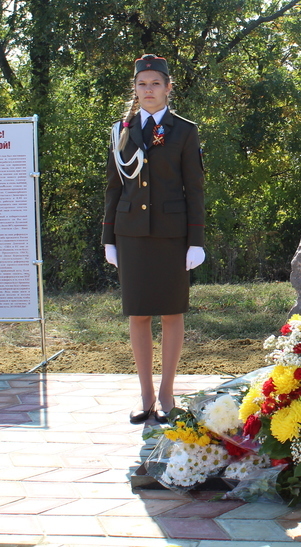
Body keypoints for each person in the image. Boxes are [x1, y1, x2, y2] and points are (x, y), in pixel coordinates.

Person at [103, 54, 207, 424]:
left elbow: (194, 189)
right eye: (142, 84)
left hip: (171, 235)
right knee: (139, 313)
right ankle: (145, 394)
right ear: (134, 88)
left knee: (172, 311)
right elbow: (114, 187)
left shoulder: (183, 130)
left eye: (155, 83)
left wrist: (196, 239)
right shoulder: (122, 130)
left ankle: (167, 393)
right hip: (130, 234)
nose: (148, 90)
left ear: (168, 87)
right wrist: (108, 239)